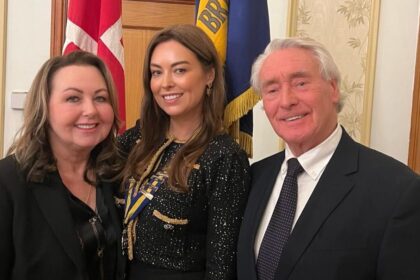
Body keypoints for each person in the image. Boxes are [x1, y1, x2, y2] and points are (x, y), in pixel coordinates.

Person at [237, 37, 420, 280]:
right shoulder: (252, 178)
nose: (286, 100)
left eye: (301, 83)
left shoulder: (398, 190)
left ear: (333, 89)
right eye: (272, 90)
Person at [117, 24, 251, 280]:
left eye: (179, 70)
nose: (165, 83)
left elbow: (221, 268)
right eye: (156, 72)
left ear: (209, 75)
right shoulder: (138, 138)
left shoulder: (224, 157)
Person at [0, 51, 126, 280]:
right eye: (73, 98)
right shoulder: (8, 181)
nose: (91, 110)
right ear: (44, 108)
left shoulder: (117, 174)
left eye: (100, 98)